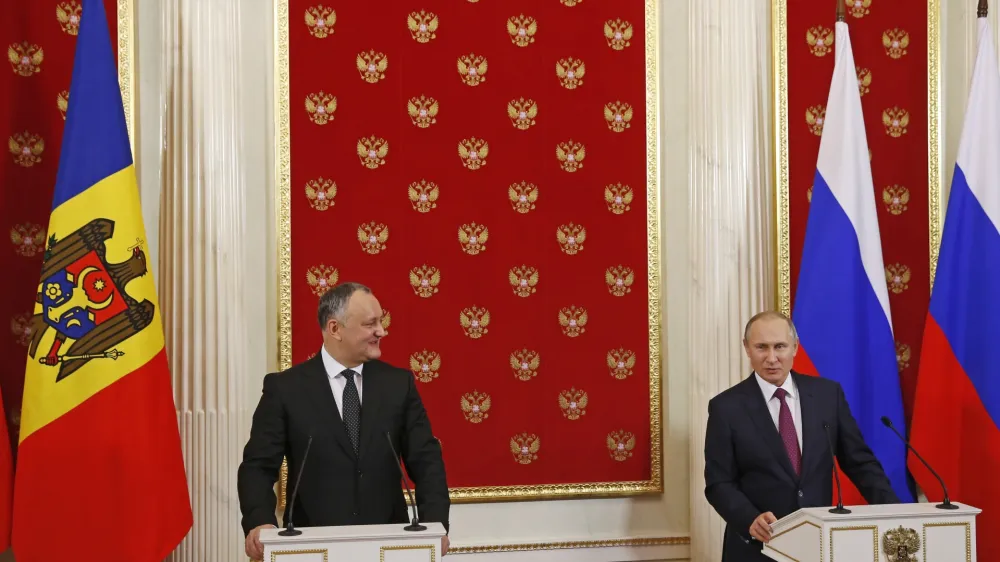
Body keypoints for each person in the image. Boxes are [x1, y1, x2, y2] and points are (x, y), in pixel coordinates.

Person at [238, 282, 450, 559]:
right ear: (335, 328)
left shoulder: (398, 385)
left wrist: (435, 525)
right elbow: (258, 466)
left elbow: (427, 461)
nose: (381, 331)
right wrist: (260, 522)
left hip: (389, 547)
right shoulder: (286, 389)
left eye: (381, 322)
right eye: (370, 324)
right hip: (312, 548)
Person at [703, 311, 899, 561]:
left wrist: (895, 511)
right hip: (757, 548)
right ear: (747, 348)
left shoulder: (828, 395)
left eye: (780, 346)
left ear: (795, 347)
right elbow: (719, 482)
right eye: (761, 347)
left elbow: (860, 463)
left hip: (818, 543)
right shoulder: (726, 407)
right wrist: (748, 518)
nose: (771, 358)